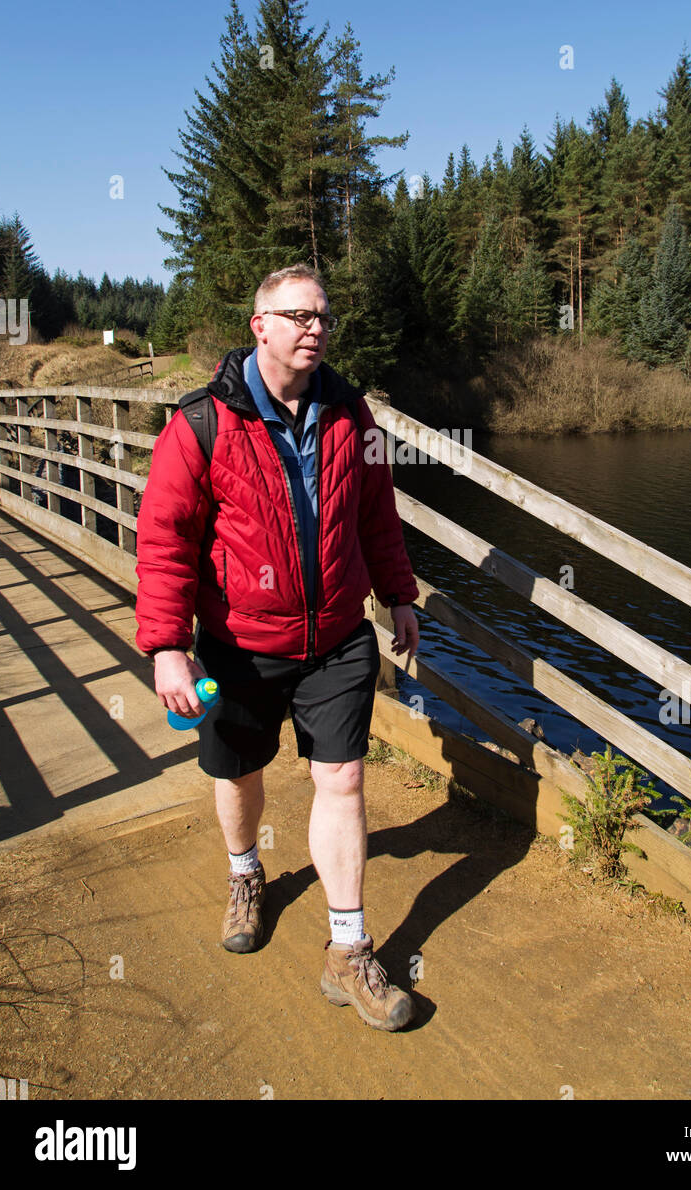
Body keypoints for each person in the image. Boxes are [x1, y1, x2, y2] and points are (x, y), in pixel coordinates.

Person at [134, 264, 421, 1032]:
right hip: (238, 643)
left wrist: (398, 595)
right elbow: (164, 538)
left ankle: (348, 948)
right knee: (239, 772)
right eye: (296, 315)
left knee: (345, 781)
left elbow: (377, 517)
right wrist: (167, 645)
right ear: (258, 326)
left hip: (334, 638)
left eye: (323, 316)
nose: (314, 328)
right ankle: (245, 873)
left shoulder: (350, 415)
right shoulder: (202, 422)